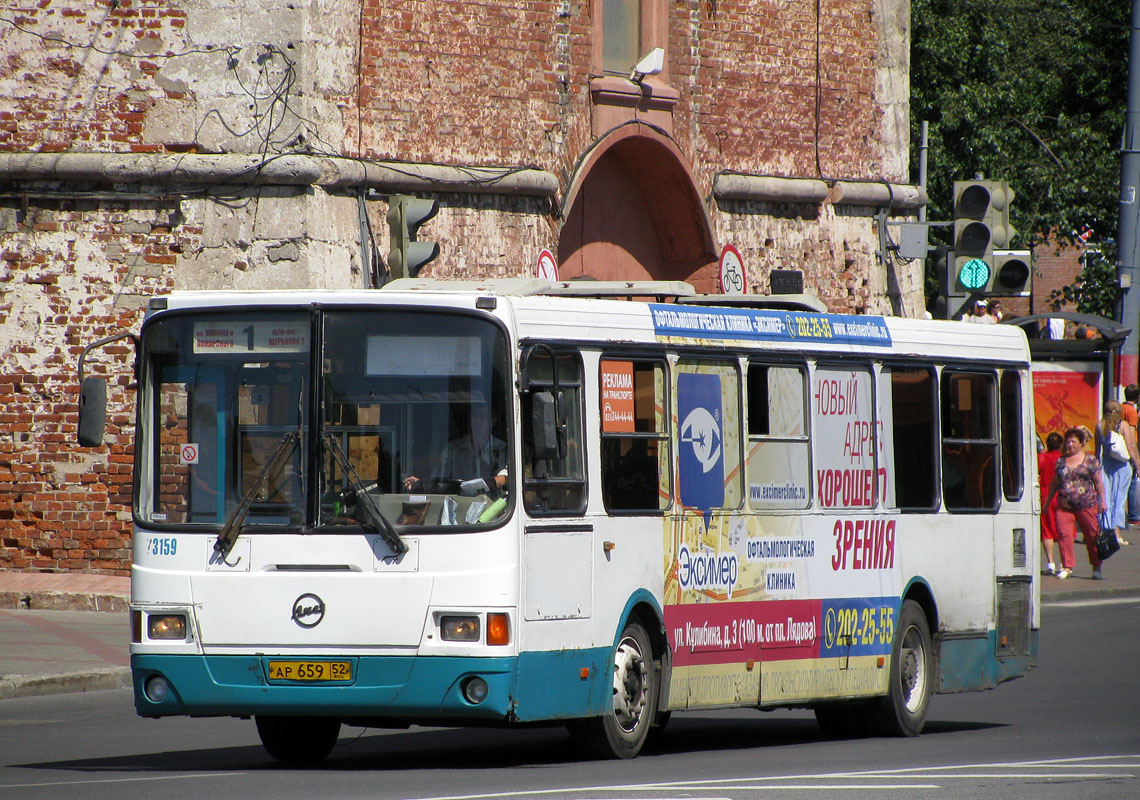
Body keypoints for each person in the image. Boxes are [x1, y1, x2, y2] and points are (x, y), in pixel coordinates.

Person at [1044, 426, 1107, 580]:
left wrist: (1103, 502)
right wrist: (1047, 503)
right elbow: (1054, 483)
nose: (1070, 445)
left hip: (1087, 504)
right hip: (1064, 505)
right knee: (1064, 536)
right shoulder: (1061, 461)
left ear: (1081, 443)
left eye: (1073, 442)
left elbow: (1098, 483)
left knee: (1092, 536)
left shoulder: (1090, 460)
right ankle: (1067, 566)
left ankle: (1096, 566)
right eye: (1068, 442)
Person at [404, 403, 508, 493]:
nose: (477, 421)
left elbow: (505, 479)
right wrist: (421, 484)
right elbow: (439, 483)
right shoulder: (453, 450)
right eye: (474, 417)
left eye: (482, 417)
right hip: (458, 509)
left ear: (493, 421)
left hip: (493, 510)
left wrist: (490, 483)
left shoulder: (503, 449)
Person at [1098, 401, 1134, 547]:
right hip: (1122, 467)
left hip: (1106, 466)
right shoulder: (1123, 425)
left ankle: (1105, 531)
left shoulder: (1099, 425)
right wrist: (1137, 465)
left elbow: (1096, 450)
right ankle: (1116, 533)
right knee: (1119, 500)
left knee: (1105, 499)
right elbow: (1131, 447)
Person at [1037, 431, 1063, 575]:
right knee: (1062, 531)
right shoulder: (1064, 459)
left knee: (1047, 531)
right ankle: (1064, 564)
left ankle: (1050, 563)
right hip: (1061, 497)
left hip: (1045, 497)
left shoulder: (1041, 458)